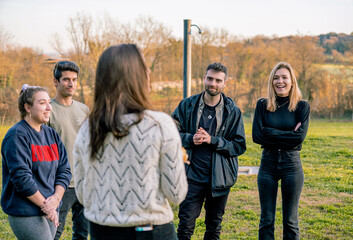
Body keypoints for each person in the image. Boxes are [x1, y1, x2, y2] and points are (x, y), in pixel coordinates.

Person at [73, 43, 188, 240]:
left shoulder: (88, 128)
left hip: (102, 231)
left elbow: (83, 194)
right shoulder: (159, 125)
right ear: (139, 76)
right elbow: (176, 194)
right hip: (150, 231)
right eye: (145, 69)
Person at [172, 62, 246, 240]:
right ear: (204, 79)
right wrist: (190, 139)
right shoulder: (187, 105)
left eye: (218, 80)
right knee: (184, 227)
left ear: (224, 83)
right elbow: (170, 134)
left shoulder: (233, 111)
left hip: (219, 179)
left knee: (213, 228)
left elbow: (238, 146)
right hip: (191, 177)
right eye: (210, 78)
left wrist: (212, 140)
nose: (213, 83)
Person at [1, 85, 71, 240]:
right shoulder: (17, 136)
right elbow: (22, 178)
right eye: (42, 103)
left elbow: (64, 170)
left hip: (51, 207)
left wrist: (56, 199)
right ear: (28, 107)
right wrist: (47, 206)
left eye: (49, 102)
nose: (48, 108)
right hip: (26, 210)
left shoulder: (51, 134)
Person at [252, 62, 310, 240]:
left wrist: (269, 131)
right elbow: (257, 136)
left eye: (284, 77)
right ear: (271, 81)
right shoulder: (263, 105)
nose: (280, 81)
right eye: (276, 78)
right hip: (267, 165)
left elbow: (299, 138)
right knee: (266, 220)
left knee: (291, 221)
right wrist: (287, 135)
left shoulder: (302, 106)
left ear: (292, 81)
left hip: (291, 165)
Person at [48, 60, 90, 240]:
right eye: (66, 79)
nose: (71, 83)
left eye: (74, 79)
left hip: (85, 182)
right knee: (53, 232)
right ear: (56, 82)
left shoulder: (83, 109)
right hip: (59, 184)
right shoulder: (47, 110)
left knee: (82, 233)